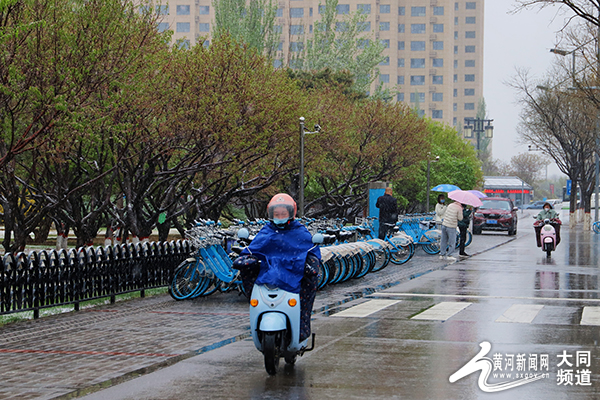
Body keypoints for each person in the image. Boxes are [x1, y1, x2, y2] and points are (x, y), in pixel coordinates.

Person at [232, 193, 321, 342]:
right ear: (271, 214)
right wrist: (246, 258)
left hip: (294, 275)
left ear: (291, 213)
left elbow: (311, 252)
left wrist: (308, 264)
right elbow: (254, 249)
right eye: (276, 213)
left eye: (283, 213)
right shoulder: (267, 231)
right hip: (267, 277)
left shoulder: (300, 232)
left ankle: (302, 328)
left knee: (310, 282)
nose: (280, 216)